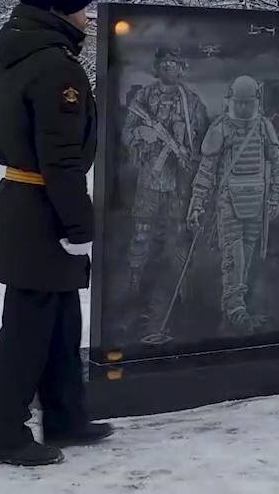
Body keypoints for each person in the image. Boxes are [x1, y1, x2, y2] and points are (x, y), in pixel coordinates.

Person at [0, 0, 113, 466]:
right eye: (82, 7)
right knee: (27, 325)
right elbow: (59, 158)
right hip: (42, 205)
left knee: (59, 318)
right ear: (60, 10)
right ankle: (3, 435)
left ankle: (64, 416)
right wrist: (79, 224)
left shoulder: (20, 58)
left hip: (26, 200)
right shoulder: (56, 67)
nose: (88, 16)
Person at [120, 46, 209, 342]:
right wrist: (141, 136)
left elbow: (203, 142)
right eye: (165, 63)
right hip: (150, 178)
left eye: (175, 63)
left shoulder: (191, 102)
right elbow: (127, 131)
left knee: (177, 235)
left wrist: (187, 156)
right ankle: (133, 286)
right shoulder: (144, 98)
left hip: (179, 182)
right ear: (157, 67)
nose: (170, 67)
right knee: (142, 232)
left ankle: (180, 290)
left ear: (181, 68)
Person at [187, 75, 279, 335]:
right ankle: (234, 307)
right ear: (230, 101)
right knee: (234, 254)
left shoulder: (264, 128)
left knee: (248, 254)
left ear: (255, 102)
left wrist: (276, 194)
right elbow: (206, 171)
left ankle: (236, 300)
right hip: (229, 201)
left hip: (257, 202)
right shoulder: (221, 128)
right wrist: (197, 203)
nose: (242, 108)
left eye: (247, 103)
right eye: (238, 103)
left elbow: (277, 164)